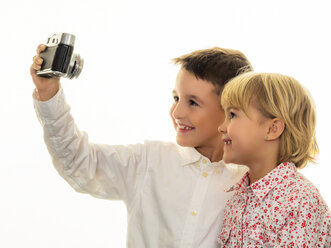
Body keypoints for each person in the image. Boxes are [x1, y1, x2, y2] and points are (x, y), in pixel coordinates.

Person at [31, 45, 253, 248]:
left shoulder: (251, 179)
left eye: (192, 102)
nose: (176, 113)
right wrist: (49, 94)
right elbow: (78, 163)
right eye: (176, 98)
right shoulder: (149, 161)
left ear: (230, 110)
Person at [217, 72, 331, 247]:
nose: (221, 127)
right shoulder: (236, 199)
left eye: (232, 115)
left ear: (272, 129)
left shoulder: (300, 199)